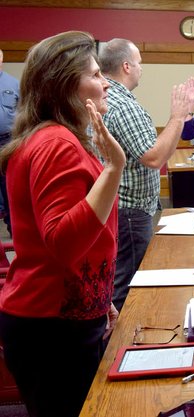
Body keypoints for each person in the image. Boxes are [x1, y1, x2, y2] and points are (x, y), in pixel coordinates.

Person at [0, 31, 125, 417]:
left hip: (65, 316)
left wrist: (99, 297)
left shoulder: (57, 137)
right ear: (64, 84)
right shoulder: (56, 143)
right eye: (94, 74)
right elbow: (64, 242)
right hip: (50, 329)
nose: (105, 82)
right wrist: (113, 169)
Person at [99, 38, 194, 312]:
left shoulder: (111, 96)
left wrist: (182, 115)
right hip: (129, 214)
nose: (142, 68)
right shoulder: (124, 105)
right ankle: (119, 351)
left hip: (121, 210)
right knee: (127, 288)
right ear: (127, 66)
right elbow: (153, 157)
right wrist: (177, 117)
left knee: (121, 283)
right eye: (139, 62)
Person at [0, 49, 19, 237]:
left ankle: (14, 230)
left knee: (9, 188)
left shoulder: (13, 84)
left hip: (7, 143)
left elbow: (23, 113)